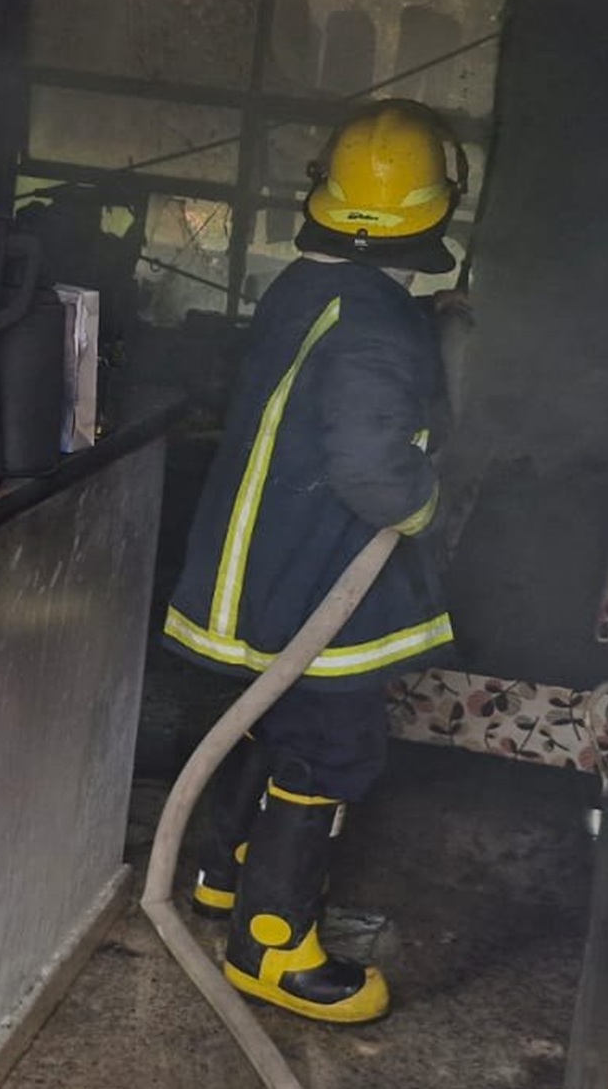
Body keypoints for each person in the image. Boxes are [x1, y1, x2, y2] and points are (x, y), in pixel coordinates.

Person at [160, 98, 468, 1025]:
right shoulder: (383, 325)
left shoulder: (305, 289)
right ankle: (270, 947)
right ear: (439, 210)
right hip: (315, 582)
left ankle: (221, 875)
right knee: (335, 745)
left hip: (253, 570)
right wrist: (428, 503)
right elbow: (372, 463)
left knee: (266, 719)